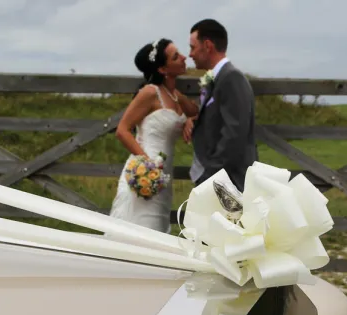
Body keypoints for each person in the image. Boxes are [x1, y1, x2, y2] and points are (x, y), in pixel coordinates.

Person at [109, 39, 199, 233]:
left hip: (164, 176)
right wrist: (148, 166)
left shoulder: (175, 95)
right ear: (163, 69)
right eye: (176, 56)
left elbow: (195, 111)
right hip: (145, 170)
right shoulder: (150, 93)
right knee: (138, 230)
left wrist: (190, 120)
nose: (184, 58)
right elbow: (122, 130)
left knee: (157, 230)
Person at [184, 19, 258, 191]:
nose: (190, 54)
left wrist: (211, 174)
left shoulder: (231, 78)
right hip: (221, 179)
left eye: (193, 47)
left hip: (229, 180)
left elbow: (234, 132)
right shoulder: (216, 78)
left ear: (208, 46)